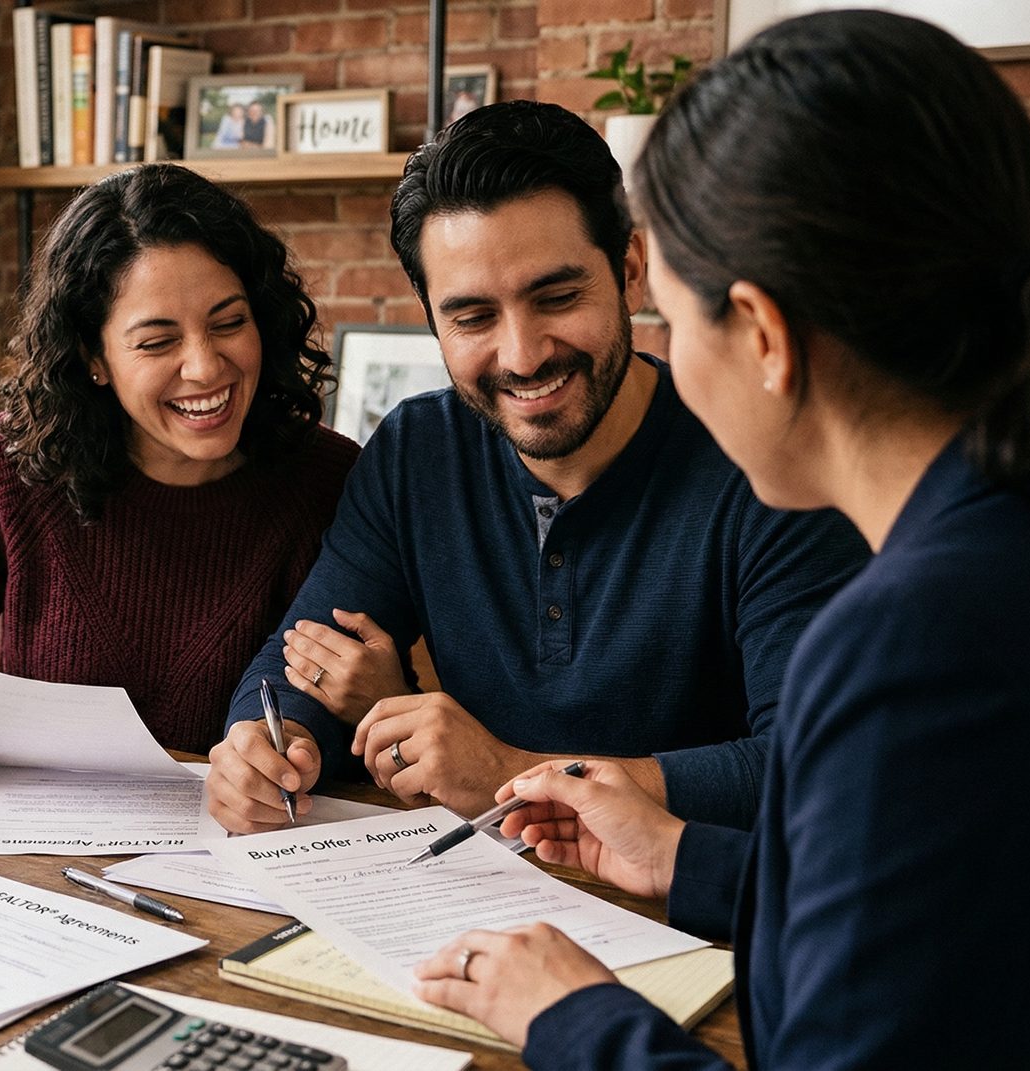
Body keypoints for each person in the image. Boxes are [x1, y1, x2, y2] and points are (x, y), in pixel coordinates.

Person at [410, 13, 1030, 1067]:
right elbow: (949, 913)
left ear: (764, 336)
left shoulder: (912, 645)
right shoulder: (1021, 540)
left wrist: (572, 1015)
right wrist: (691, 862)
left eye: (675, 323)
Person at [206, 101, 869, 831]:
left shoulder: (768, 463)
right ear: (432, 319)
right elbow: (302, 657)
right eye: (473, 318)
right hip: (471, 881)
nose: (522, 356)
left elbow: (809, 766)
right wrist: (271, 747)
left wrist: (511, 773)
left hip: (697, 890)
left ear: (630, 272)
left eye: (556, 297)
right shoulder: (416, 450)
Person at [0, 164, 359, 783]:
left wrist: (302, 756)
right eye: (157, 342)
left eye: (230, 323)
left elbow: (356, 710)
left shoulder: (330, 479)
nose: (205, 367)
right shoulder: (10, 463)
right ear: (93, 356)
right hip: (37, 833)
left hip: (253, 837)